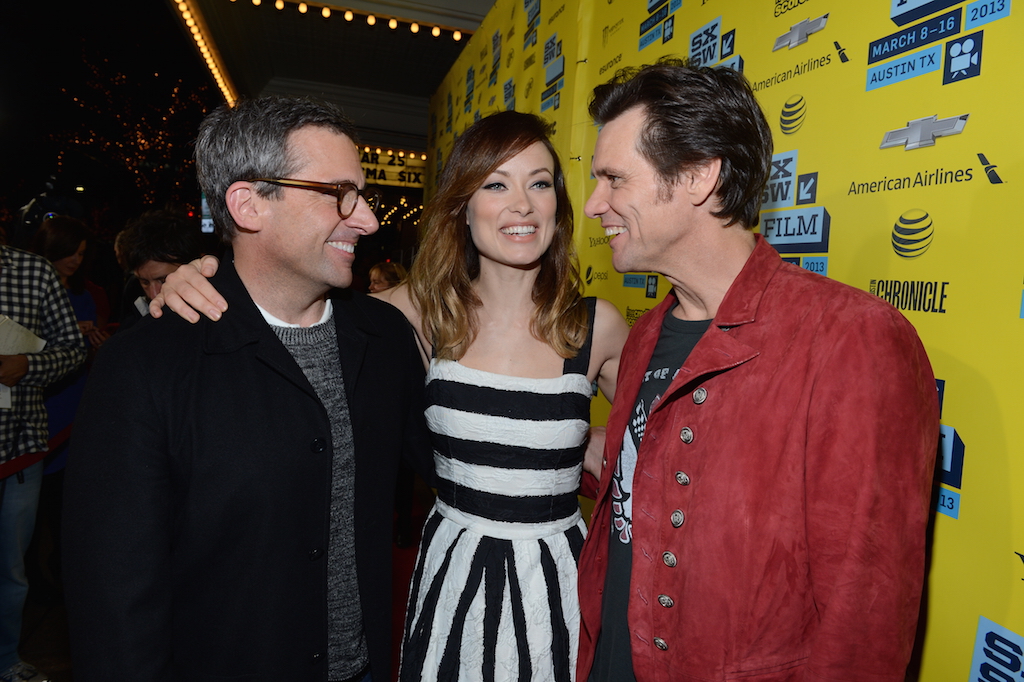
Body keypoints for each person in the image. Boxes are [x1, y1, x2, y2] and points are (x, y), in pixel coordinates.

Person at [152, 110, 630, 682]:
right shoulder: (414, 316)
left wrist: (594, 446)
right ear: (462, 207)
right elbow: (283, 297)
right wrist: (197, 275)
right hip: (454, 573)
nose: (523, 204)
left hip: (556, 575)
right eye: (496, 184)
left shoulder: (594, 327)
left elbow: (659, 442)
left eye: (541, 183)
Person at [577, 59, 940, 681]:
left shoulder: (852, 339)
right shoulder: (643, 336)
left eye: (614, 179)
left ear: (697, 175)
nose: (592, 205)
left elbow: (864, 620)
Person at [63, 96, 434, 682]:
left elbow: (452, 461)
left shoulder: (383, 337)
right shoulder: (147, 364)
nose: (367, 220)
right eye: (339, 194)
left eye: (364, 196)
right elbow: (113, 593)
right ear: (249, 203)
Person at [0, 240, 85, 682]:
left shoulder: (32, 272)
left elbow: (73, 348)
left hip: (18, 449)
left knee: (10, 569)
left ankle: (6, 660)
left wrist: (26, 367)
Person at [116, 208, 205, 331]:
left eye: (164, 280)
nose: (153, 294)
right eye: (145, 282)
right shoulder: (133, 323)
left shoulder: (219, 317)